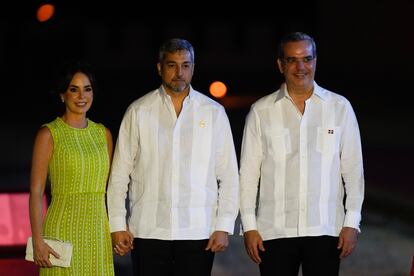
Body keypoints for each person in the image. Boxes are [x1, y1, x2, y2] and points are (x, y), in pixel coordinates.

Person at [107, 38, 239, 276]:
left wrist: (223, 225)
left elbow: (229, 174)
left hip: (199, 231)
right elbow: (119, 174)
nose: (180, 72)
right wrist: (117, 224)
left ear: (193, 68)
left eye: (186, 65)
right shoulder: (138, 111)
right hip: (148, 231)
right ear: (160, 67)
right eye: (172, 65)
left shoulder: (213, 113)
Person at [239, 32, 365, 276]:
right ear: (280, 64)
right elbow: (248, 174)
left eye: (307, 59)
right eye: (292, 60)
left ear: (315, 61)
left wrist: (351, 223)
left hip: (326, 229)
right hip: (274, 231)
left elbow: (353, 170)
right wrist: (250, 226)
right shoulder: (261, 111)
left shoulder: (339, 108)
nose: (300, 67)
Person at [28, 60, 115, 275]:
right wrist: (38, 241)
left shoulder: (103, 134)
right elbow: (36, 192)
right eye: (73, 90)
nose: (81, 96)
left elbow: (113, 189)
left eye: (87, 89)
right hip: (62, 231)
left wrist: (118, 229)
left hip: (97, 232)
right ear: (62, 95)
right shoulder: (49, 134)